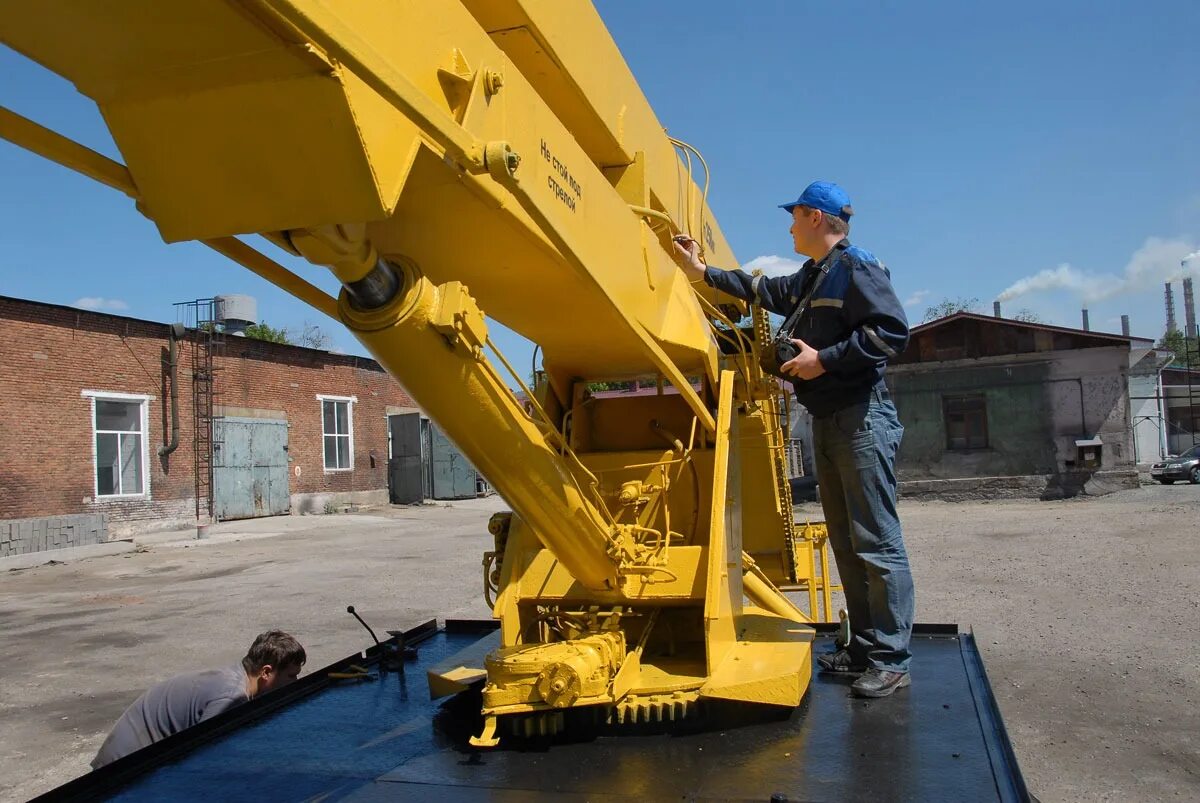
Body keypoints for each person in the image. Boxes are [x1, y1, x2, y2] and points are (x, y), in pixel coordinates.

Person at [673, 181, 915, 698]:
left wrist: (819, 360)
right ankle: (865, 647)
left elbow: (890, 333)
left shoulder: (857, 266)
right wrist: (701, 273)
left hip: (860, 418)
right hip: (830, 419)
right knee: (848, 543)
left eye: (795, 216)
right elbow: (760, 290)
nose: (788, 226)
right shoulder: (811, 278)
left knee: (876, 541)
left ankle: (891, 659)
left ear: (816, 217)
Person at [91, 630, 306, 768]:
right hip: (122, 767)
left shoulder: (233, 676)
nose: (295, 681)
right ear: (266, 672)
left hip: (131, 755)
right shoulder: (232, 696)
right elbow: (207, 758)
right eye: (291, 675)